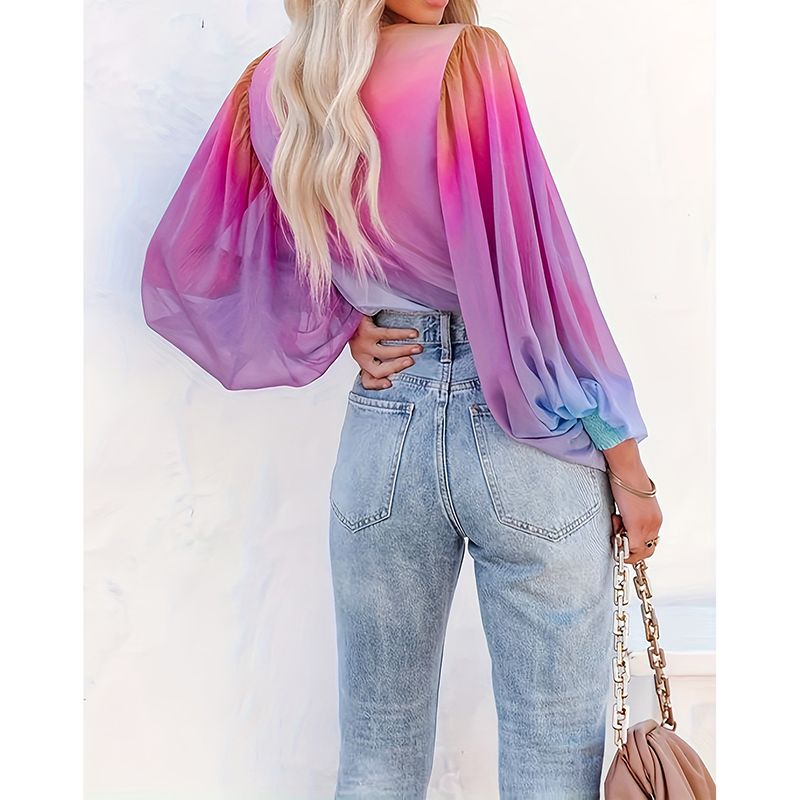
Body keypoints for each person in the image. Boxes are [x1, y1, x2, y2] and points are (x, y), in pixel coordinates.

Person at [140, 1, 663, 797]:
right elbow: (539, 286)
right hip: (521, 430)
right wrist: (628, 466)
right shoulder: (467, 62)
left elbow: (205, 256)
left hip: (384, 431)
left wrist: (353, 316)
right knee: (553, 750)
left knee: (378, 752)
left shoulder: (274, 85)